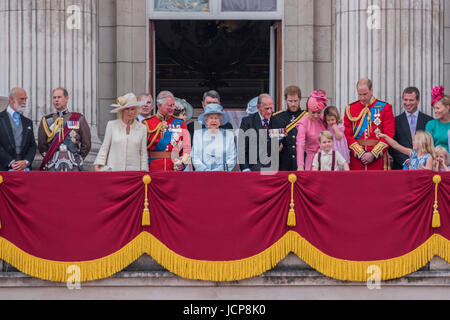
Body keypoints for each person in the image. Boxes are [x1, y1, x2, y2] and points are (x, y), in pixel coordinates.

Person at [344, 78, 395, 170]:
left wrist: (373, 154)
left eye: (365, 94)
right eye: (360, 94)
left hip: (378, 159)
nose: (362, 98)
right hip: (357, 159)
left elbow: (389, 135)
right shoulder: (350, 109)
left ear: (371, 90)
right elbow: (347, 135)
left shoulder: (385, 108)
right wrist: (361, 153)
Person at [37, 87, 91, 171]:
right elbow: (41, 144)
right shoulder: (47, 120)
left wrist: (78, 158)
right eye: (54, 98)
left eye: (59, 97)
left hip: (73, 164)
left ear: (66, 98)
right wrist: (49, 157)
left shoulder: (78, 118)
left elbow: (86, 143)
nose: (56, 100)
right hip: (52, 164)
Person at [94, 93, 148, 171]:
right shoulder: (112, 125)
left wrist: (144, 171)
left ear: (136, 111)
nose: (130, 112)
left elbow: (143, 153)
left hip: (134, 173)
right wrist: (98, 164)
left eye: (132, 109)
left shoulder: (142, 128)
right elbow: (104, 148)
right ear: (122, 110)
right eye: (127, 109)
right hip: (114, 170)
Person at [143, 90, 191, 171]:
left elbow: (186, 147)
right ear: (159, 105)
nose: (172, 108)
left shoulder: (180, 122)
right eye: (169, 105)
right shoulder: (147, 123)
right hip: (153, 169)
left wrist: (182, 162)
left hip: (174, 169)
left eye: (173, 105)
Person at [390, 87, 433, 170]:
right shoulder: (395, 121)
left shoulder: (428, 121)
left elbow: (430, 144)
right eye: (405, 100)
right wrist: (406, 160)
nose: (408, 103)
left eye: (411, 100)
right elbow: (392, 146)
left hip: (423, 167)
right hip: (400, 167)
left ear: (418, 101)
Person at [238, 93, 282, 172]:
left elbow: (281, 145)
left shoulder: (278, 122)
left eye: (271, 108)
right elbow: (242, 148)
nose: (269, 111)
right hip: (253, 170)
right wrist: (245, 168)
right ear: (258, 107)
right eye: (266, 108)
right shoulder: (247, 122)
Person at [191, 104, 236, 171]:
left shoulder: (229, 135)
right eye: (211, 118)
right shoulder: (198, 134)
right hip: (202, 175)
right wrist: (205, 170)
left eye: (216, 118)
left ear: (220, 121)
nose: (214, 121)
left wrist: (219, 170)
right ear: (206, 121)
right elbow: (195, 157)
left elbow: (232, 158)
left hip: (222, 175)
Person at [0, 88, 36, 171]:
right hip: (3, 169)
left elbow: (32, 146)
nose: (24, 102)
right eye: (21, 99)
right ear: (12, 99)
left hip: (25, 170)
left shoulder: (28, 122)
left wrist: (26, 162)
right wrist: (11, 162)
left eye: (25, 99)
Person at [273, 85, 307, 171]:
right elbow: (274, 143)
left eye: (295, 101)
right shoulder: (277, 117)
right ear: (285, 100)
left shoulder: (307, 116)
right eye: (290, 101)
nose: (293, 104)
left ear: (300, 99)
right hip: (284, 163)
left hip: (303, 161)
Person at [296, 90, 328, 171]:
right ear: (308, 109)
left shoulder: (324, 120)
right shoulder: (303, 123)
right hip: (312, 160)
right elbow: (300, 144)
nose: (316, 115)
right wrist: (300, 165)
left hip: (326, 159)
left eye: (319, 112)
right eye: (313, 112)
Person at [426, 86, 450, 152]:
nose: (435, 111)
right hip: (436, 159)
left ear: (447, 108)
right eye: (434, 108)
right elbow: (428, 148)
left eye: (438, 108)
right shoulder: (431, 125)